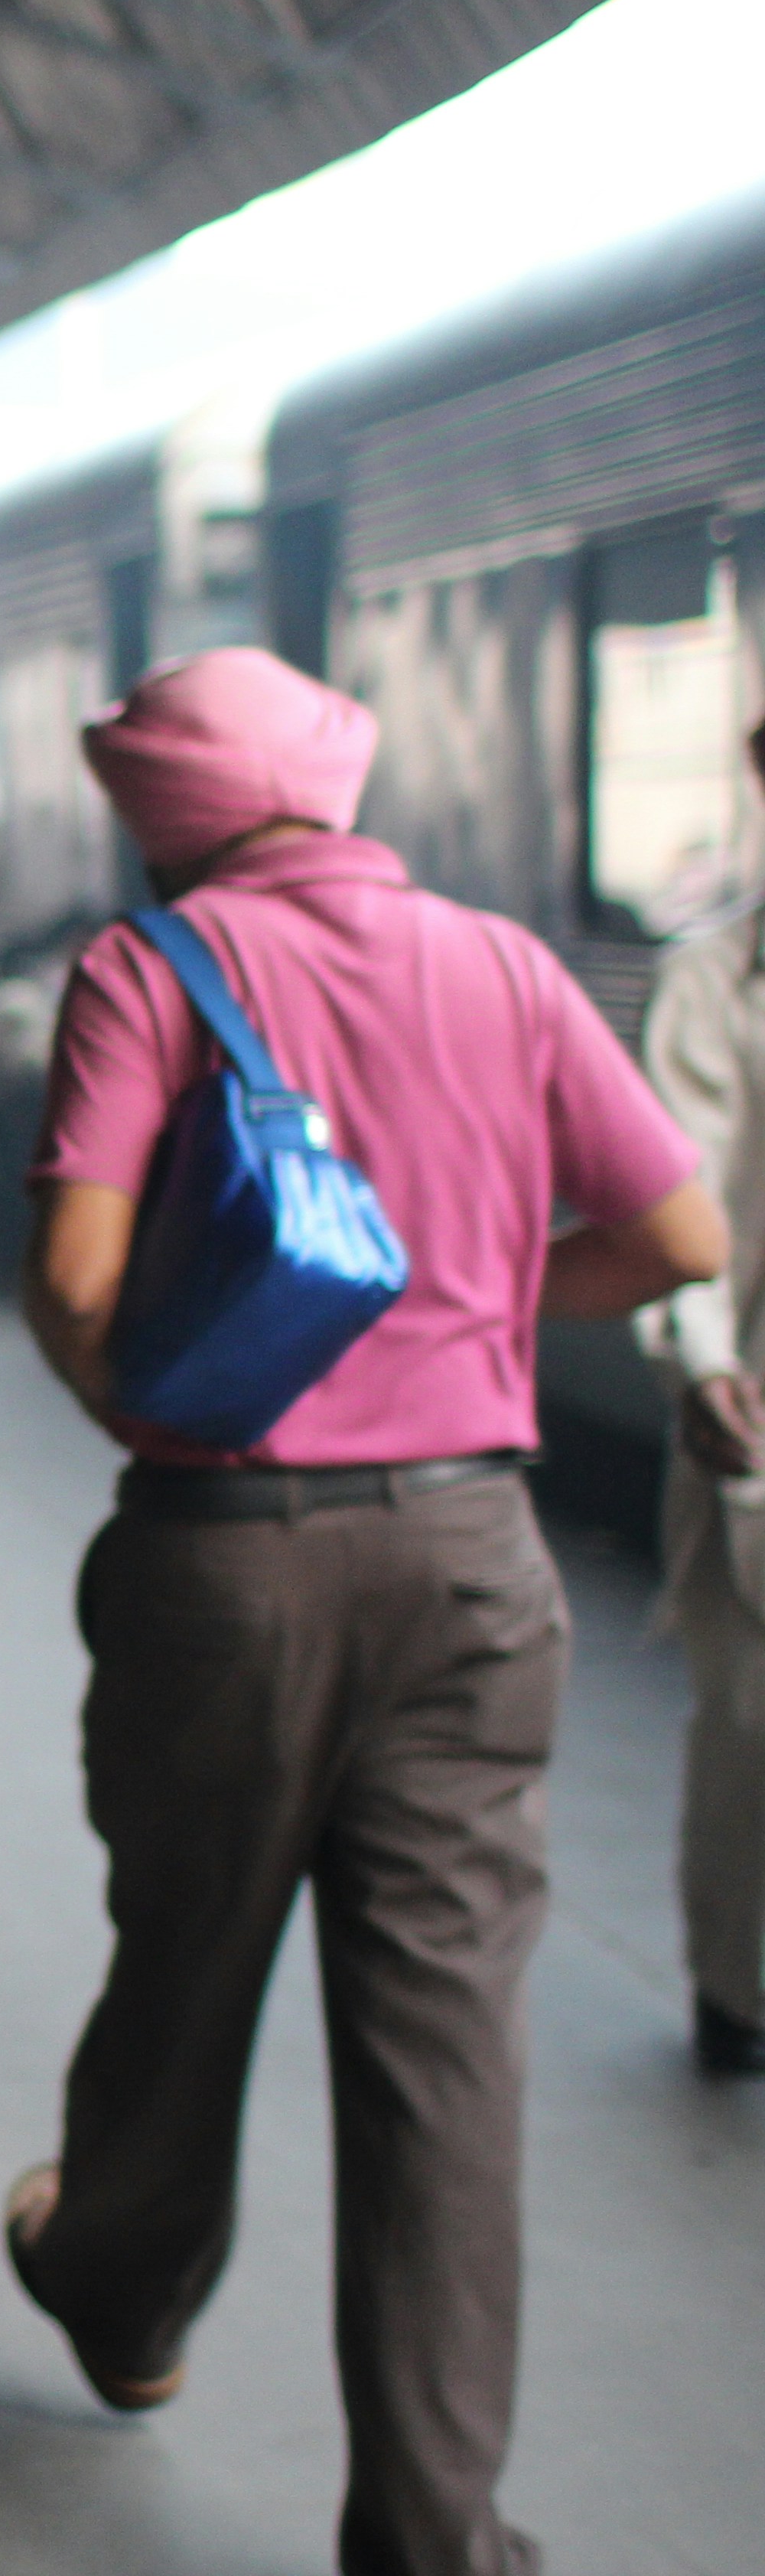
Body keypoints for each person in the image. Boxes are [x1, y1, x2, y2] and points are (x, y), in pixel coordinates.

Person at [11, 648, 721, 2576]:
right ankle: (431, 2530)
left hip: (225, 1561)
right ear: (332, 781)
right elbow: (677, 1238)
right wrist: (481, 1306)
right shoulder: (503, 964)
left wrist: (150, 1391)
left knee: (186, 1958)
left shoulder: (149, 972)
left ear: (156, 808)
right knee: (442, 2063)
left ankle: (117, 2284)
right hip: (475, 1570)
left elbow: (75, 1280)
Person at [636, 712, 765, 2079]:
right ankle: (736, 1990)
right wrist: (703, 1360)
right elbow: (679, 1197)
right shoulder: (712, 984)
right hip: (752, 1407)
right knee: (747, 1720)